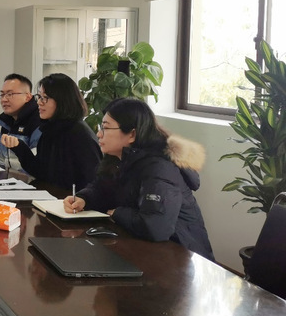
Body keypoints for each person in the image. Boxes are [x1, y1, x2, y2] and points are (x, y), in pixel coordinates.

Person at [65, 98, 214, 260]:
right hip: (148, 249)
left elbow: (156, 227)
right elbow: (102, 188)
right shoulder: (119, 158)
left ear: (132, 134)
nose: (99, 134)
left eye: (106, 128)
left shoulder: (159, 167)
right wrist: (84, 198)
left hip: (182, 256)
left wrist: (117, 213)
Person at [0, 73, 101, 191]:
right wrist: (19, 147)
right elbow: (40, 171)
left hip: (70, 199)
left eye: (45, 98)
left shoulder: (79, 134)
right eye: (39, 97)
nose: (39, 102)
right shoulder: (50, 128)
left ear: (62, 100)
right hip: (50, 196)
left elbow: (92, 182)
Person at [0, 73, 41, 168]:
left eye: (10, 94)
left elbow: (36, 165)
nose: (4, 99)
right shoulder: (6, 119)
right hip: (9, 175)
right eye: (2, 95)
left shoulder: (38, 121)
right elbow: (0, 160)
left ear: (28, 97)